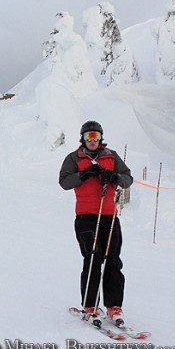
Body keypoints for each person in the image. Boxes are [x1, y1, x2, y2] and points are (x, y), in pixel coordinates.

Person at [59, 120, 133, 325]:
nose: (93, 140)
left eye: (96, 136)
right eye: (89, 136)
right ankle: (90, 305)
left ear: (101, 138)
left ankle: (114, 305)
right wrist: (83, 175)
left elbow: (128, 179)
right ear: (83, 138)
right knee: (93, 258)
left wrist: (114, 176)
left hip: (109, 215)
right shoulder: (74, 158)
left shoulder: (111, 156)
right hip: (86, 217)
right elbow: (64, 182)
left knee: (112, 259)